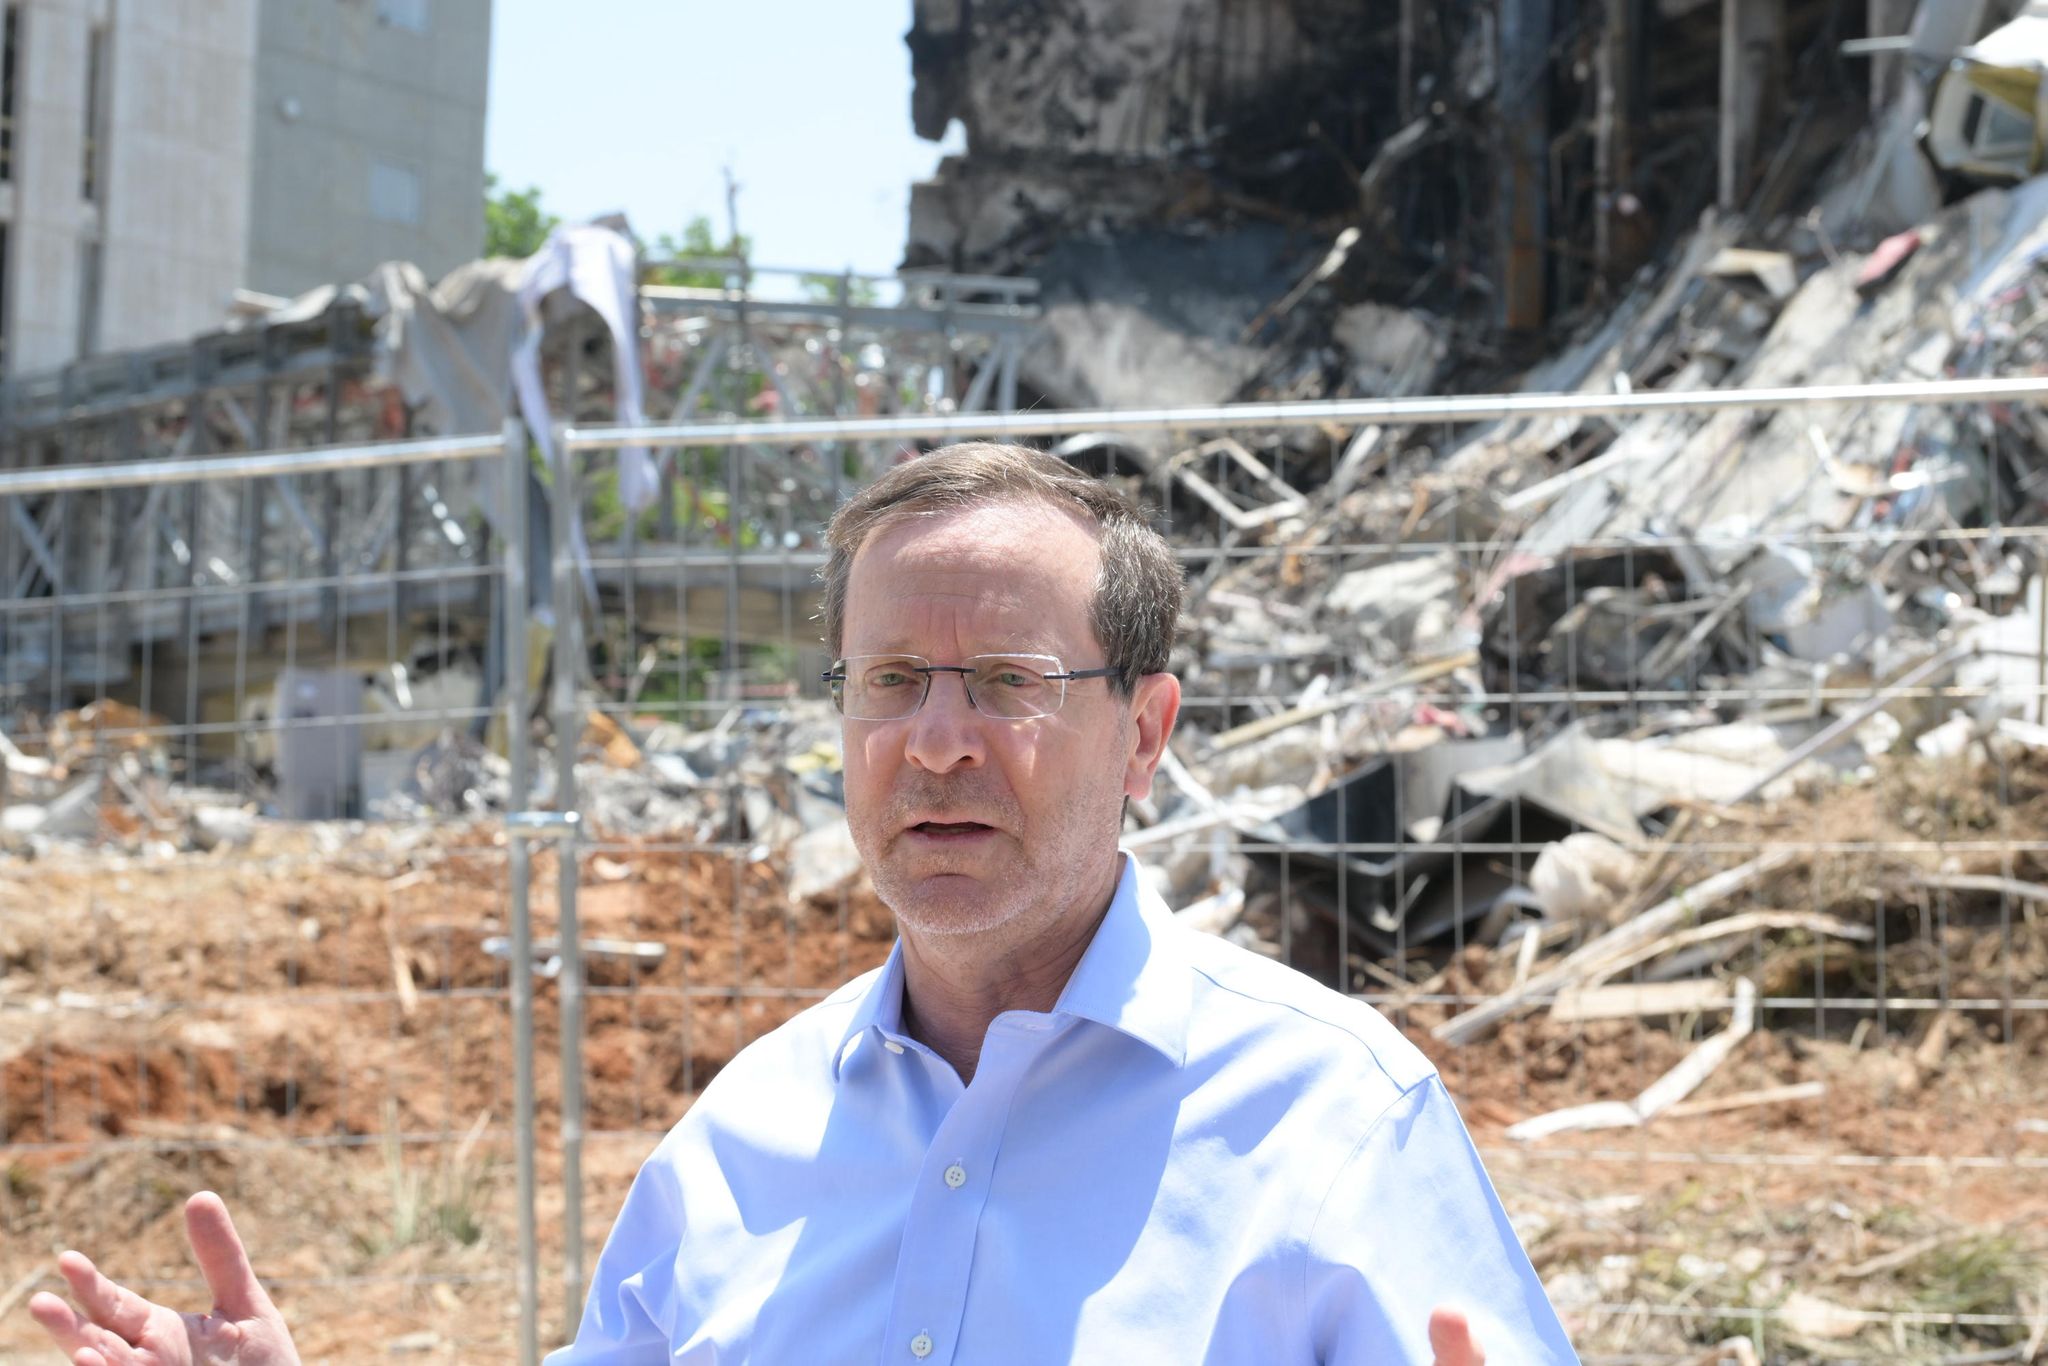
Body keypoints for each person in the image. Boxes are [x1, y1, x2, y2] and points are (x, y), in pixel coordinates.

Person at [31, 443, 1574, 1364]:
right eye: (891, 679)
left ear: (1146, 733)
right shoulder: (735, 1144)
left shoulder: (1336, 1124)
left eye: (1008, 681)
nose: (938, 739)